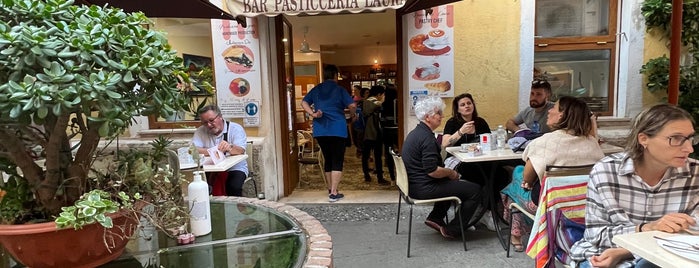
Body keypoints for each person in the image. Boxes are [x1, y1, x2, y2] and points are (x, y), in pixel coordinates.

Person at [570, 103, 699, 268]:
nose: (689, 148)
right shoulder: (607, 171)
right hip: (602, 254)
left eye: (690, 138)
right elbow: (597, 235)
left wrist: (628, 251)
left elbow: (693, 234)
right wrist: (647, 228)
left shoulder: (695, 174)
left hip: (667, 257)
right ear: (644, 139)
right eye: (676, 139)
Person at [501, 96, 604, 252]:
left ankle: (516, 234)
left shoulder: (544, 142)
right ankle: (518, 233)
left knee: (516, 181)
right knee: (520, 178)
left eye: (553, 108)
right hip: (586, 206)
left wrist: (528, 182)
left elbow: (528, 177)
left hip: (550, 208)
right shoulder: (592, 143)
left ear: (562, 115)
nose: (549, 110)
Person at [402, 96, 482, 238]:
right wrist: (451, 173)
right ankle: (454, 229)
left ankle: (435, 217)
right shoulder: (426, 138)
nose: (442, 116)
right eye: (438, 113)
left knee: (452, 183)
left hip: (414, 185)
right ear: (428, 117)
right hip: (423, 188)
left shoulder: (416, 133)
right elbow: (432, 171)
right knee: (474, 190)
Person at [302, 64, 357, 202]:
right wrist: (352, 116)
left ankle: (330, 188)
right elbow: (352, 105)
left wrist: (313, 114)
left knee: (328, 159)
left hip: (320, 130)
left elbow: (303, 103)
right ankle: (333, 192)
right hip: (337, 129)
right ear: (334, 76)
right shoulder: (339, 89)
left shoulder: (317, 89)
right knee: (337, 159)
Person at [192, 105, 249, 196]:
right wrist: (214, 151)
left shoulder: (235, 129)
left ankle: (234, 209)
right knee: (200, 187)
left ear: (220, 117)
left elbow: (241, 150)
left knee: (233, 187)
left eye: (211, 120)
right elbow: (194, 150)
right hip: (210, 169)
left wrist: (230, 147)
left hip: (234, 167)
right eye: (205, 123)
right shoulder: (200, 131)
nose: (209, 125)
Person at [441, 93, 492, 186]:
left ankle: (491, 199)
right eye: (462, 105)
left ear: (473, 105)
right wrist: (460, 132)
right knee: (472, 171)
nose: (467, 106)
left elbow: (490, 140)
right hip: (459, 160)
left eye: (469, 103)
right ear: (458, 109)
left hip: (480, 158)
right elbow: (444, 144)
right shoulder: (452, 122)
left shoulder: (480, 122)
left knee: (498, 171)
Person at [362, 85, 389, 185]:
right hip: (371, 132)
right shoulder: (370, 102)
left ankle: (373, 176)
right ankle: (372, 176)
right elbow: (377, 105)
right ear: (378, 94)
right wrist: (383, 101)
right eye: (382, 95)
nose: (383, 97)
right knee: (371, 155)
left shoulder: (367, 101)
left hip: (370, 133)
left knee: (371, 155)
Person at [381, 84, 398, 181]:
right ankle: (401, 174)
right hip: (397, 130)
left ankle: (392, 176)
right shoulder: (399, 102)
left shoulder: (384, 104)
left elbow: (382, 120)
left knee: (389, 153)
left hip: (387, 130)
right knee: (400, 152)